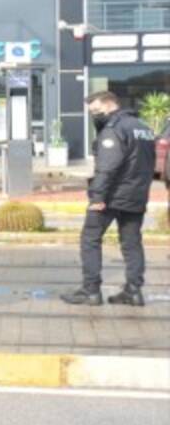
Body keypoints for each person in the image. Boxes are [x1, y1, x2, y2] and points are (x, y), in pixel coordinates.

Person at [61, 91, 156, 307]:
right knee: (132, 243)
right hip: (137, 195)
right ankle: (133, 291)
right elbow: (149, 165)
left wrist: (97, 197)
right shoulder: (144, 128)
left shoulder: (113, 130)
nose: (95, 115)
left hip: (112, 196)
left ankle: (90, 291)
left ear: (109, 104)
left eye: (96, 111)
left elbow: (107, 167)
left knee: (90, 239)